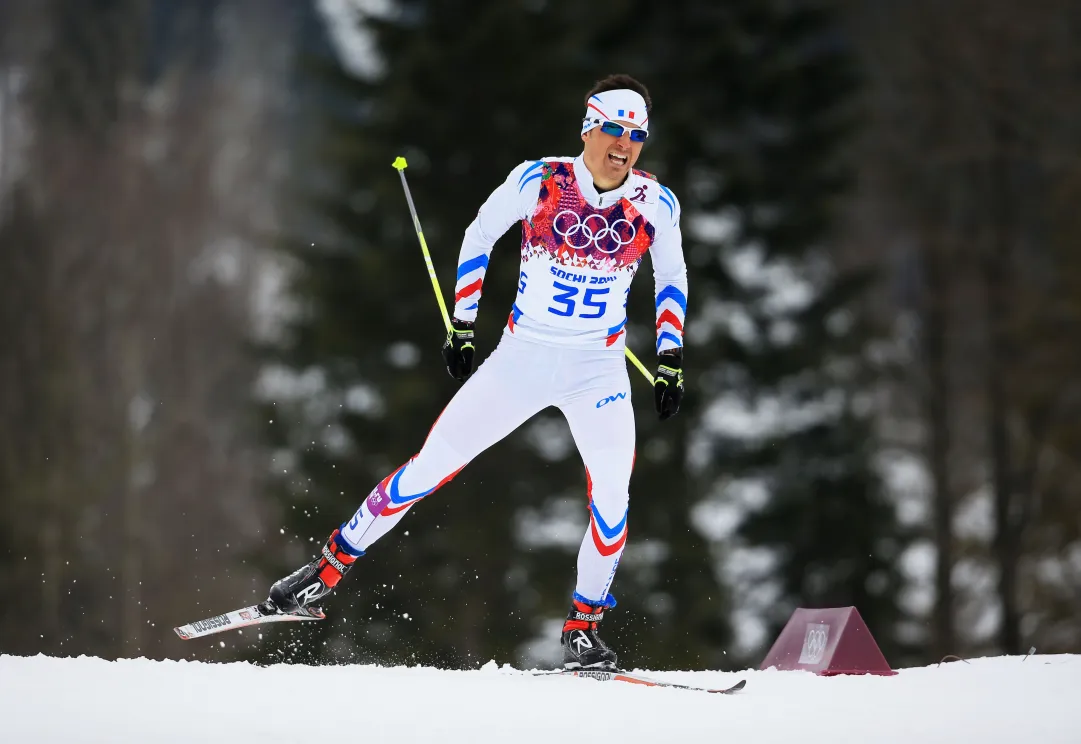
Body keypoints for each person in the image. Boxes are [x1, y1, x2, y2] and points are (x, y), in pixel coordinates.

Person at [264, 74, 687, 671]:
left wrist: (669, 358)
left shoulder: (655, 204)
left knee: (614, 500)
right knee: (428, 469)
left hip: (599, 370)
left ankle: (582, 632)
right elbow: (480, 235)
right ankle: (323, 572)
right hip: (522, 359)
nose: (624, 145)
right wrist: (462, 324)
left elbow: (671, 278)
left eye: (637, 134)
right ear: (589, 127)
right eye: (614, 129)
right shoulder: (540, 180)